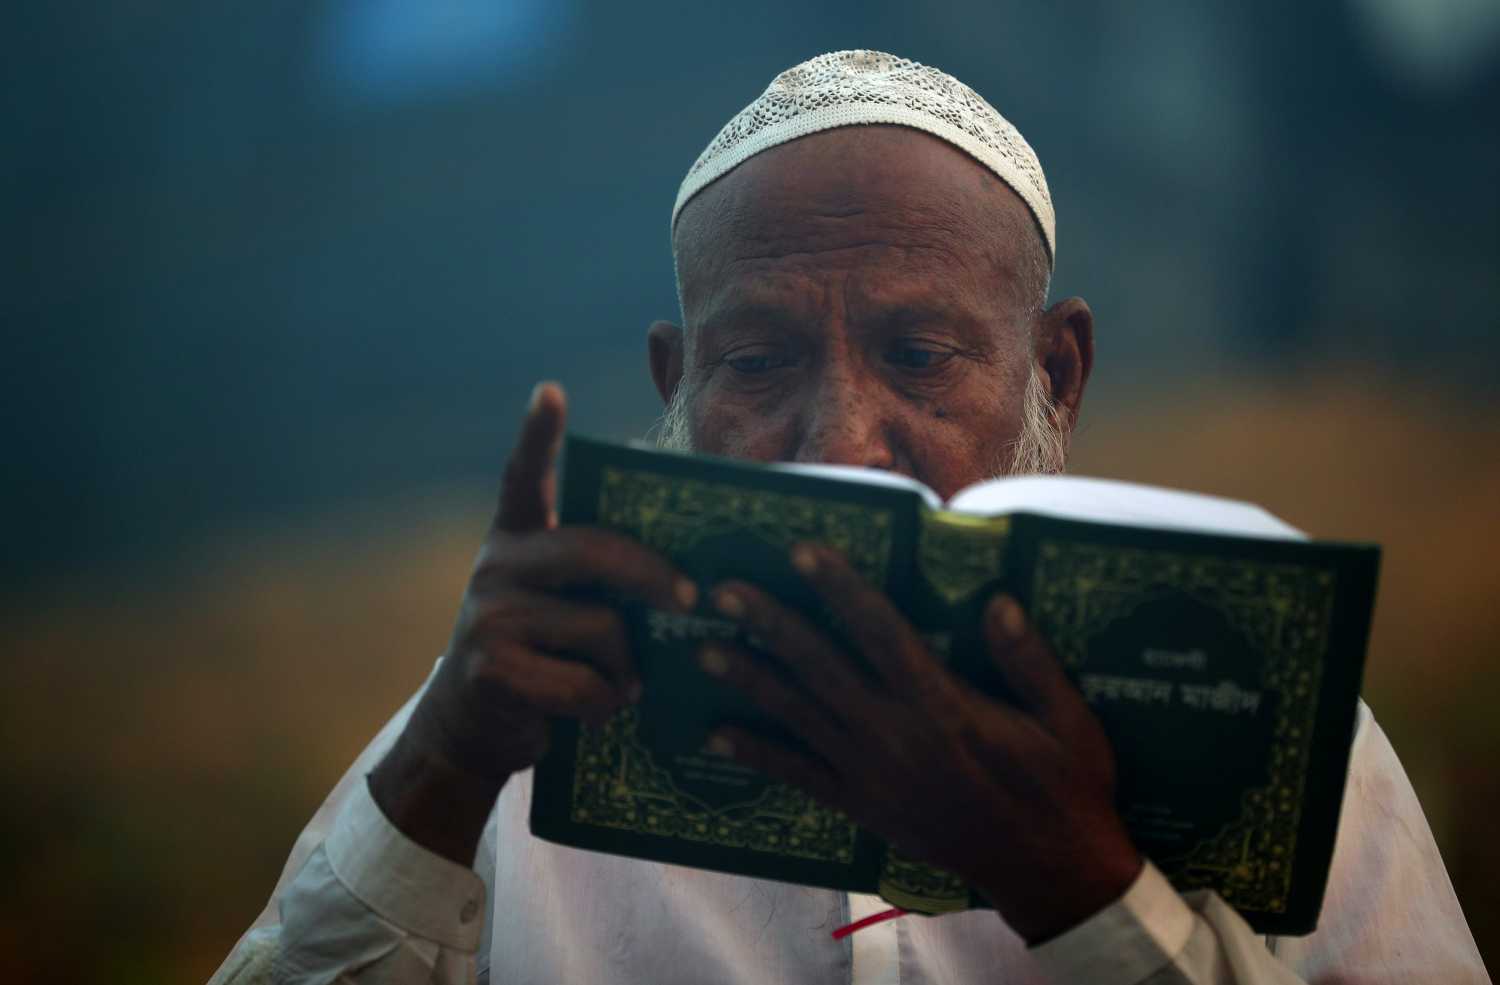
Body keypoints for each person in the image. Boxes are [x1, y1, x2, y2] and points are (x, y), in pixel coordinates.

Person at [210, 50, 1488, 985]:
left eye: (921, 353)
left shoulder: (1261, 717)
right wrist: (441, 767)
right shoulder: (524, 714)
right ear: (676, 387)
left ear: (1058, 375)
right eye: (758, 365)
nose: (841, 446)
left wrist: (1080, 886)